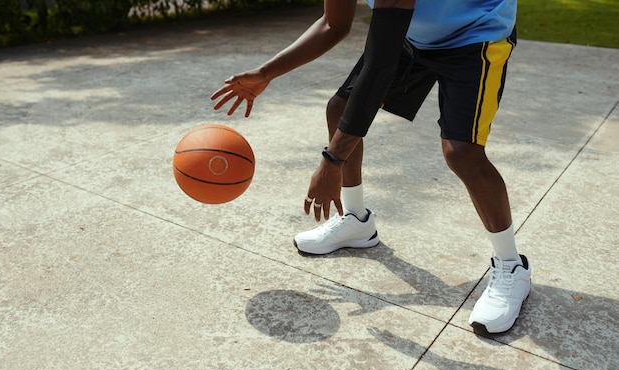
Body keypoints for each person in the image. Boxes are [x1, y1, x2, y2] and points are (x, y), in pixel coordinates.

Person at [211, 0, 531, 335]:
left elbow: (380, 67)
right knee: (341, 109)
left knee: (461, 151)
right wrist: (266, 73)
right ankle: (357, 222)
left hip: (475, 34)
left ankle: (511, 266)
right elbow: (333, 25)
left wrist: (332, 161)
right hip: (411, 33)